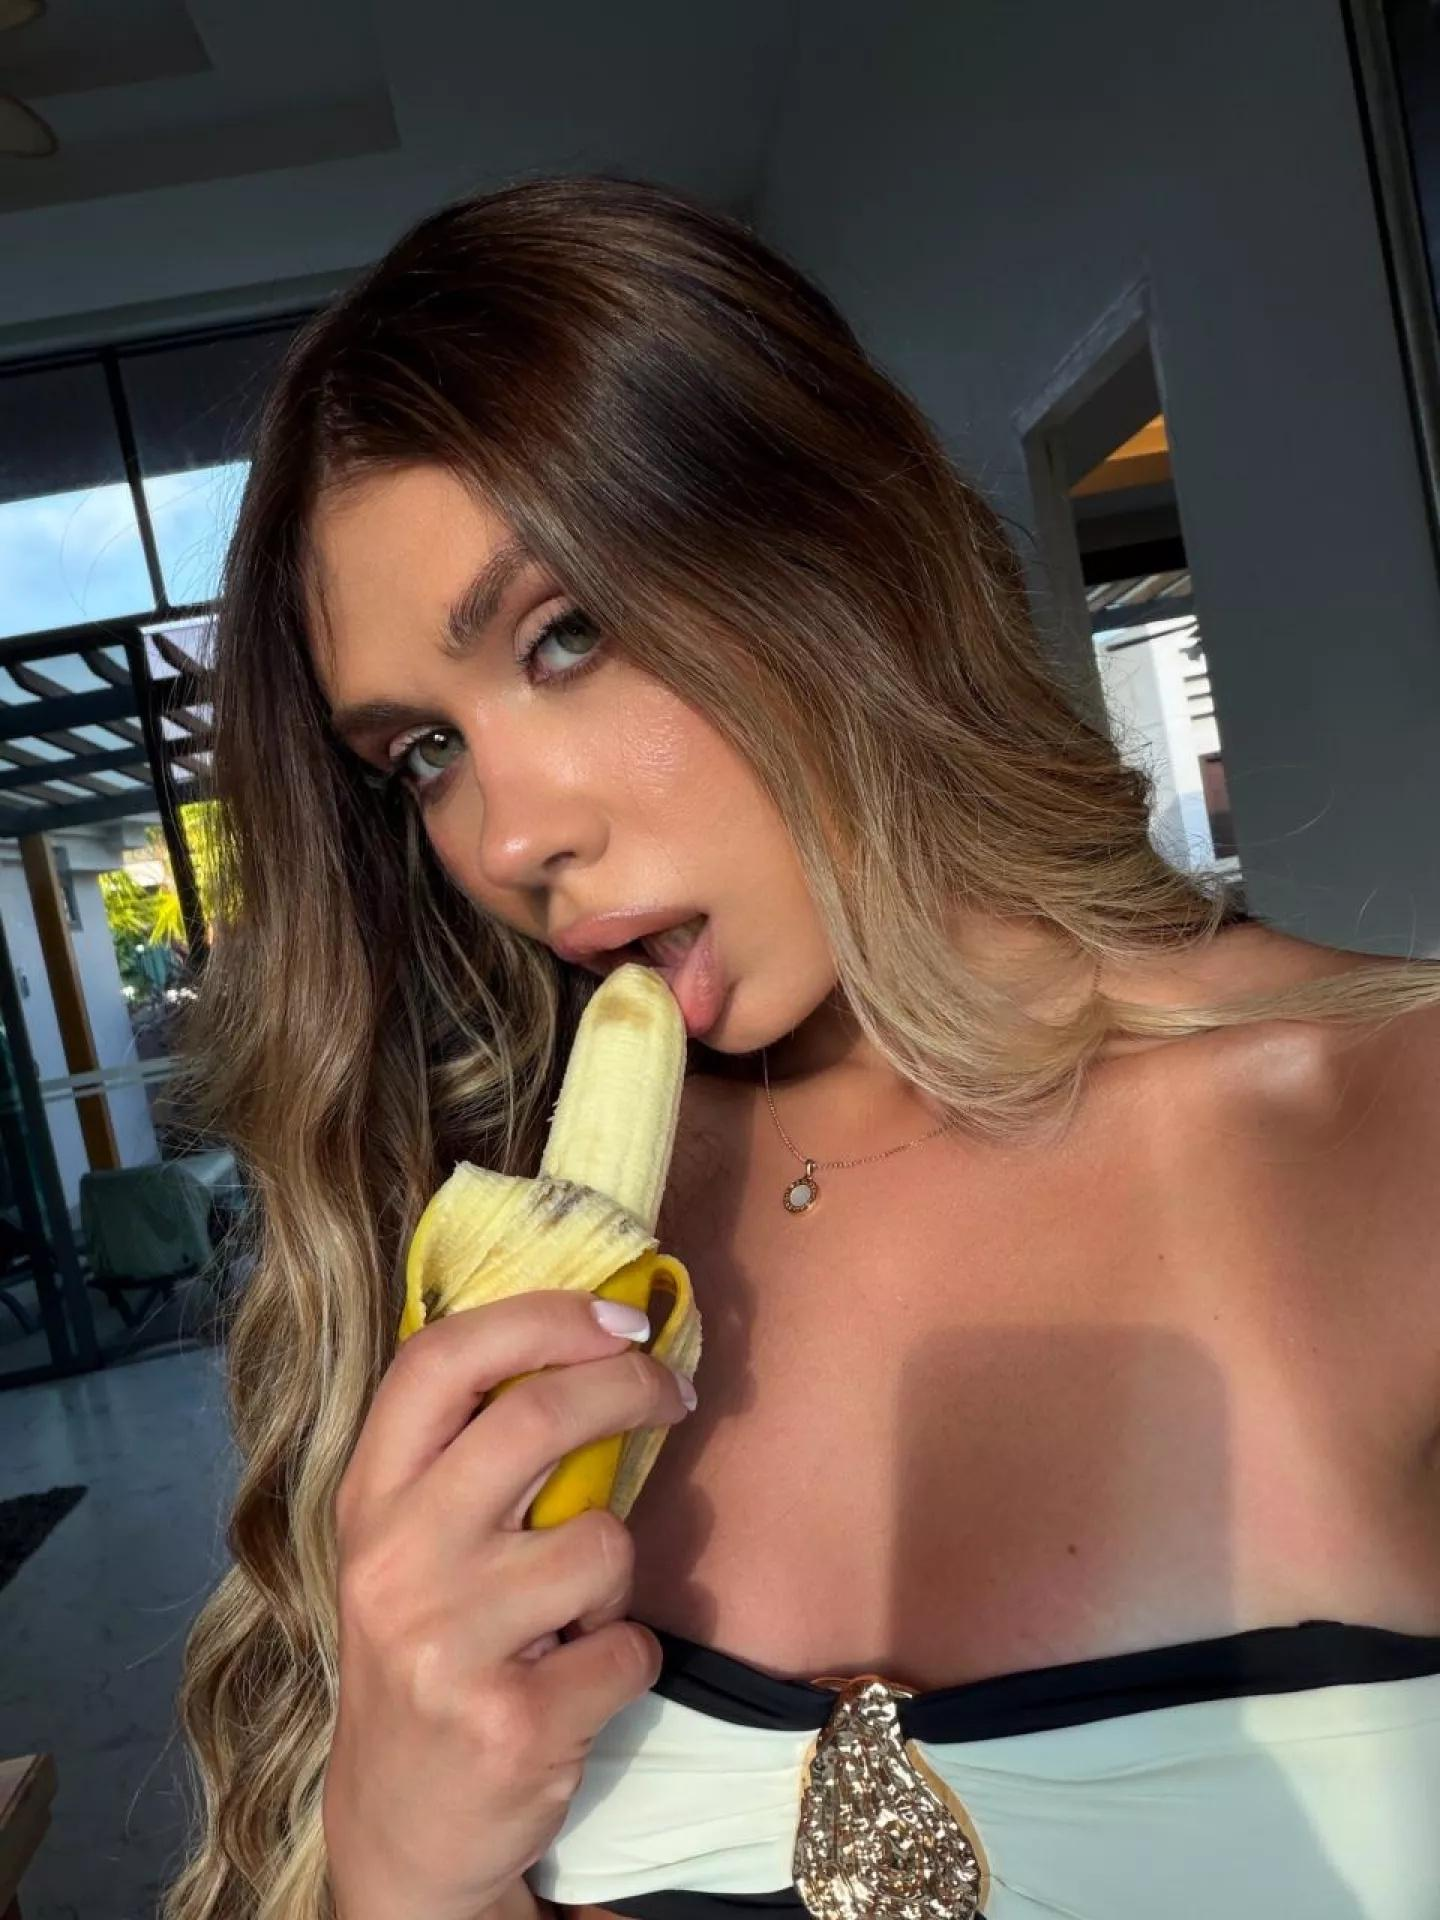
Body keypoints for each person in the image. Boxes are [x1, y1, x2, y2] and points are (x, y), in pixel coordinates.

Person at [164, 173, 1440, 1920]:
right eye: (423, 755)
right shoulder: (511, 1270)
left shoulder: (1396, 1132)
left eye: (566, 635)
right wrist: (399, 1869)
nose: (507, 838)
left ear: (844, 546)